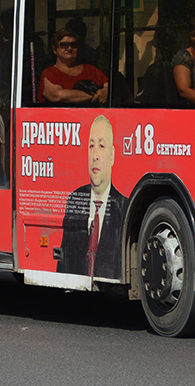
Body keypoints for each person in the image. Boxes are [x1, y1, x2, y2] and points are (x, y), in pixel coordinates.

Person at [57, 115, 128, 279]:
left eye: (101, 146)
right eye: (91, 146)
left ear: (112, 156)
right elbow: (64, 266)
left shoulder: (124, 206)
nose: (95, 155)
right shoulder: (75, 199)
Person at [39, 27, 109, 104]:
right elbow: (57, 96)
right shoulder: (50, 73)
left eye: (74, 44)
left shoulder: (90, 69)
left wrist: (106, 91)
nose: (69, 48)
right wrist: (96, 95)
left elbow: (110, 86)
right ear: (54, 50)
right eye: (64, 45)